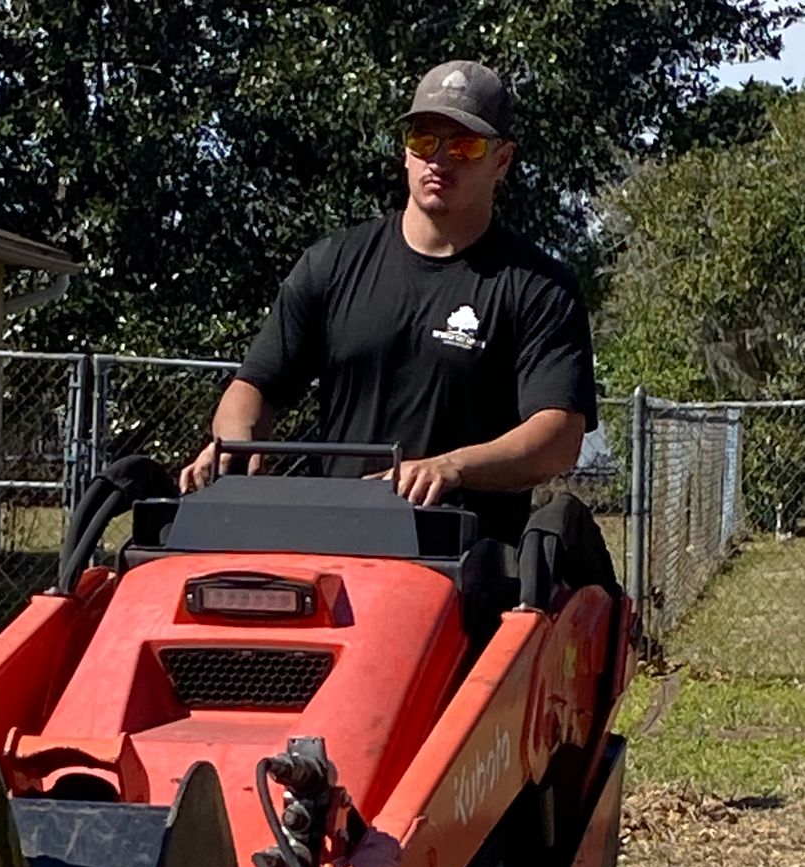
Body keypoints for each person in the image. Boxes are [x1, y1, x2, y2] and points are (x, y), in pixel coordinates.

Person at [180, 60, 596, 548]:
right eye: (424, 141)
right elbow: (254, 386)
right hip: (330, 549)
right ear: (405, 152)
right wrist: (232, 445)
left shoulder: (540, 288)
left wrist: (451, 467)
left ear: (501, 160)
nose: (439, 160)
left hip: (465, 567)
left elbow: (558, 437)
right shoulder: (332, 264)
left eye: (464, 145)